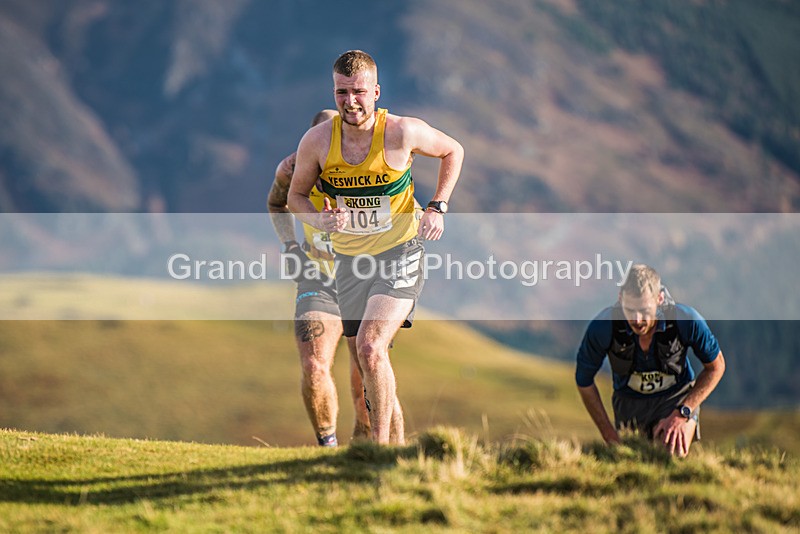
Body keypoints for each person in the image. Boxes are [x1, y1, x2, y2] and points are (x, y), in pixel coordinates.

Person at [287, 50, 464, 444]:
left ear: (376, 92)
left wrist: (437, 206)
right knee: (365, 361)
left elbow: (454, 150)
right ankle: (396, 449)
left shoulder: (402, 132)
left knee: (370, 348)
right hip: (351, 262)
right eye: (341, 92)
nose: (350, 101)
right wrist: (319, 220)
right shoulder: (317, 142)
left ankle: (379, 451)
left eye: (359, 92)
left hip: (401, 252)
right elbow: (295, 197)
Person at [268, 109, 371, 447]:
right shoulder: (292, 168)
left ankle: (365, 448)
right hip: (317, 278)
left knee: (364, 378)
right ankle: (327, 447)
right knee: (314, 366)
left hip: (365, 280)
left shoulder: (365, 164)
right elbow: (276, 203)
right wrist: (290, 247)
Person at [575, 264, 726, 457]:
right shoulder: (603, 327)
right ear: (620, 299)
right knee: (631, 464)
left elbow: (716, 367)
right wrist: (608, 434)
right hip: (629, 404)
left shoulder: (686, 320)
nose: (637, 319)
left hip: (676, 398)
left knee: (670, 453)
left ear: (659, 299)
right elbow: (583, 380)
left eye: (645, 310)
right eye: (630, 309)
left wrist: (684, 412)